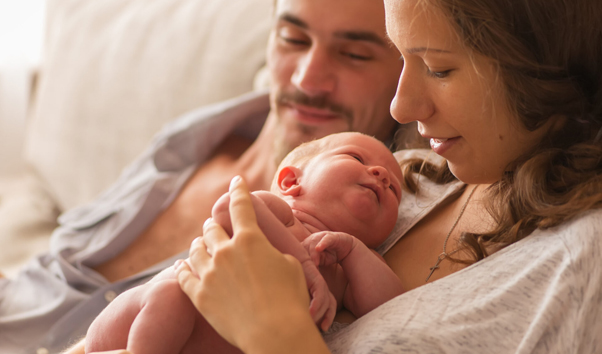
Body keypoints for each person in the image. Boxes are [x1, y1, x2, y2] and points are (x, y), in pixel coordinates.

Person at [0, 0, 407, 353]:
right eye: (293, 39)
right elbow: (64, 267)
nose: (308, 77)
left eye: (354, 53)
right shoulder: (194, 137)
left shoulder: (360, 217)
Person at [174, 0, 602, 353]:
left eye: (438, 68)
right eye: (403, 60)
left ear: (535, 66)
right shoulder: (412, 183)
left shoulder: (598, 260)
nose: (400, 108)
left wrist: (275, 334)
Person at [85, 132, 404, 354]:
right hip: (141, 318)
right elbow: (228, 208)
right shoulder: (282, 214)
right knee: (173, 297)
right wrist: (304, 265)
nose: (381, 175)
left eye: (394, 191)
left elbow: (394, 309)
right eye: (355, 157)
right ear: (291, 182)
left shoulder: (346, 269)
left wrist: (354, 249)